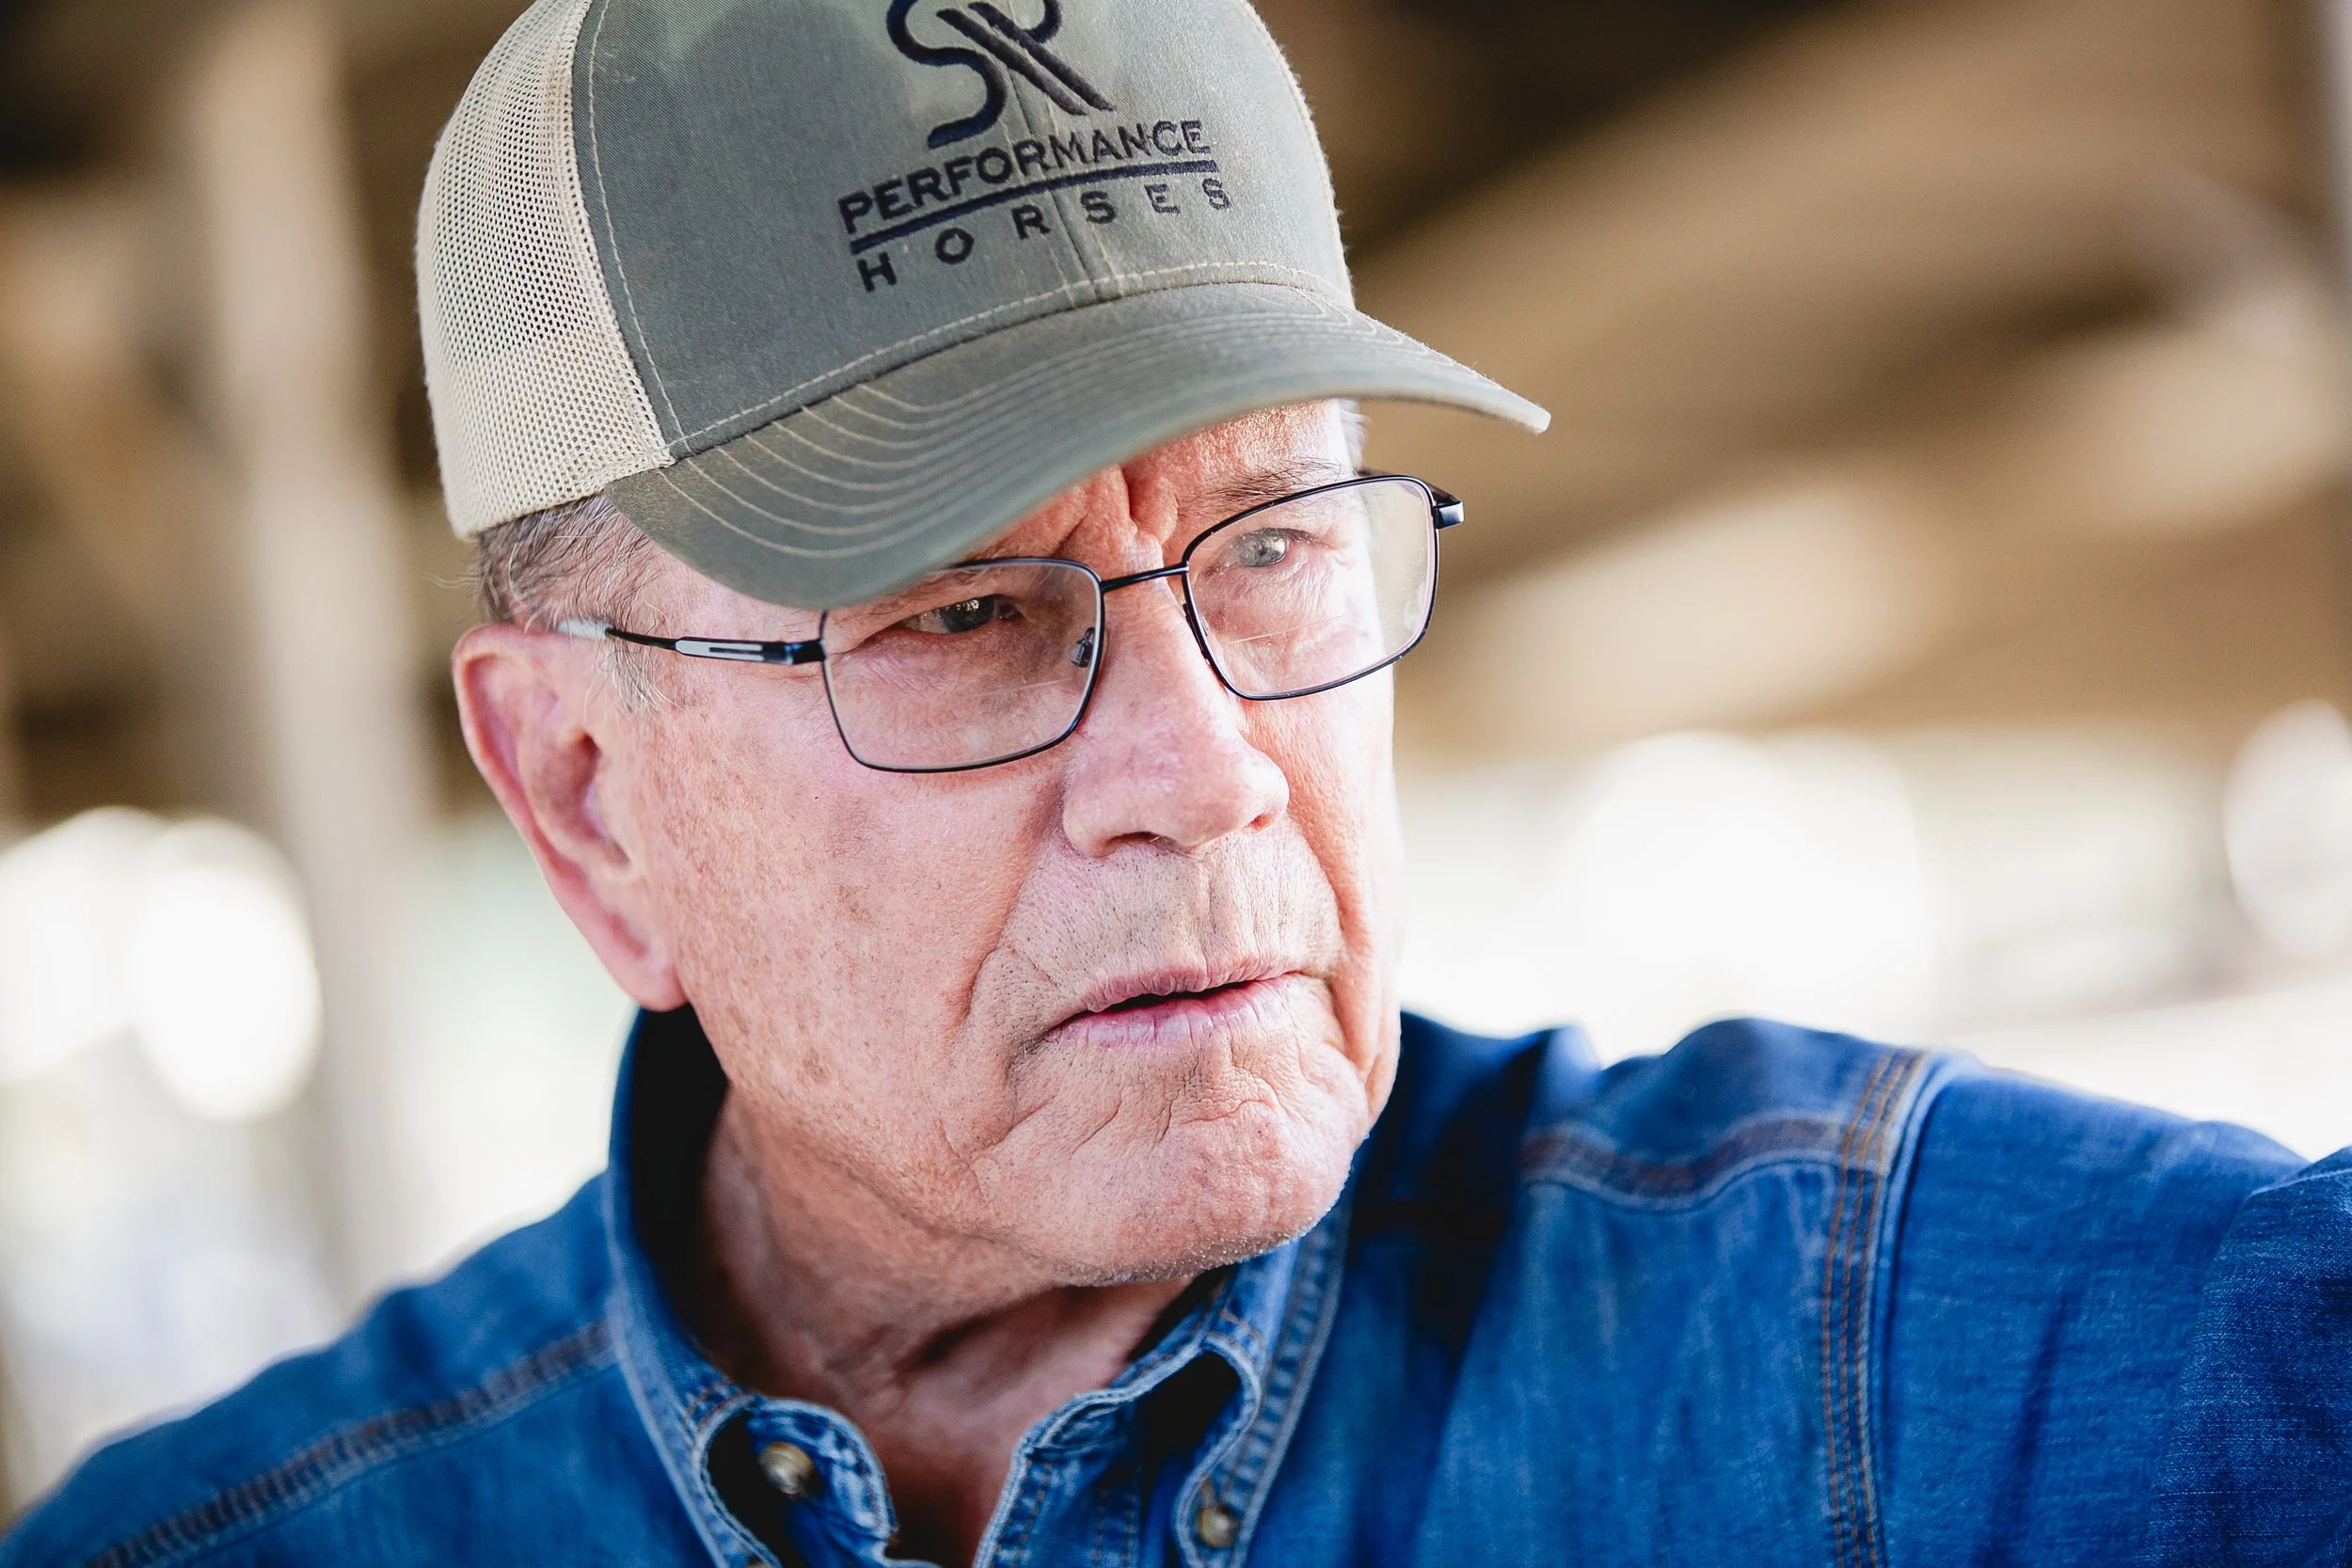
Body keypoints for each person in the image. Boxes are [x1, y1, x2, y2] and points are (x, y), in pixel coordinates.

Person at [4, 0, 2342, 1563]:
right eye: (955, 612)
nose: (1205, 771)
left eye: (1281, 541)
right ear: (588, 797)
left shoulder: (1877, 1359)